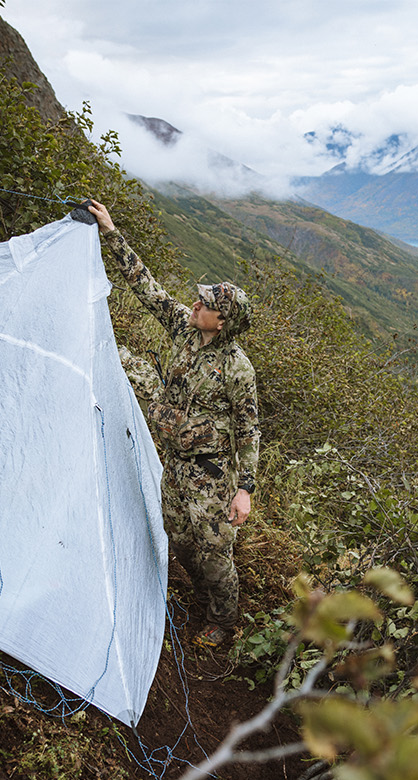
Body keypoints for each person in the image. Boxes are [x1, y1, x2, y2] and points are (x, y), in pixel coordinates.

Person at [86, 199, 258, 648]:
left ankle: (223, 619)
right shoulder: (185, 327)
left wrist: (246, 489)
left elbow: (249, 429)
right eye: (200, 298)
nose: (196, 302)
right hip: (175, 463)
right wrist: (110, 231)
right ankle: (202, 596)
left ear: (222, 322)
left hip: (211, 473)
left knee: (215, 550)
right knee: (179, 538)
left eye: (206, 303)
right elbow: (147, 288)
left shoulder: (238, 368)